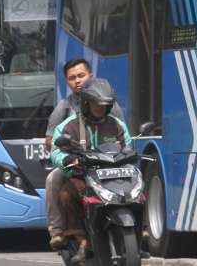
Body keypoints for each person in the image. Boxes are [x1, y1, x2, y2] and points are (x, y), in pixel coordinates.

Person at [50, 78, 131, 264]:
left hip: (114, 176)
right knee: (66, 195)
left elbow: (128, 146)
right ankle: (82, 241)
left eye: (104, 105)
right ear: (86, 102)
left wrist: (129, 154)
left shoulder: (117, 124)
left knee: (138, 186)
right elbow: (55, 151)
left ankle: (139, 232)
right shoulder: (69, 125)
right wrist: (67, 159)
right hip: (83, 177)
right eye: (96, 104)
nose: (100, 108)